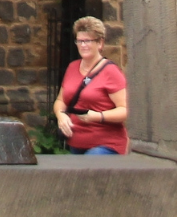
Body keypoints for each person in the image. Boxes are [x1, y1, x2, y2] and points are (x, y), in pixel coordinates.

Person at [54, 16, 128, 154]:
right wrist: (61, 115)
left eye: (87, 41)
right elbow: (61, 100)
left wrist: (98, 116)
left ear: (100, 43)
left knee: (87, 169)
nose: (83, 45)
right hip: (76, 143)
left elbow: (125, 110)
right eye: (79, 41)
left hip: (106, 144)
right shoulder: (72, 67)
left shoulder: (111, 71)